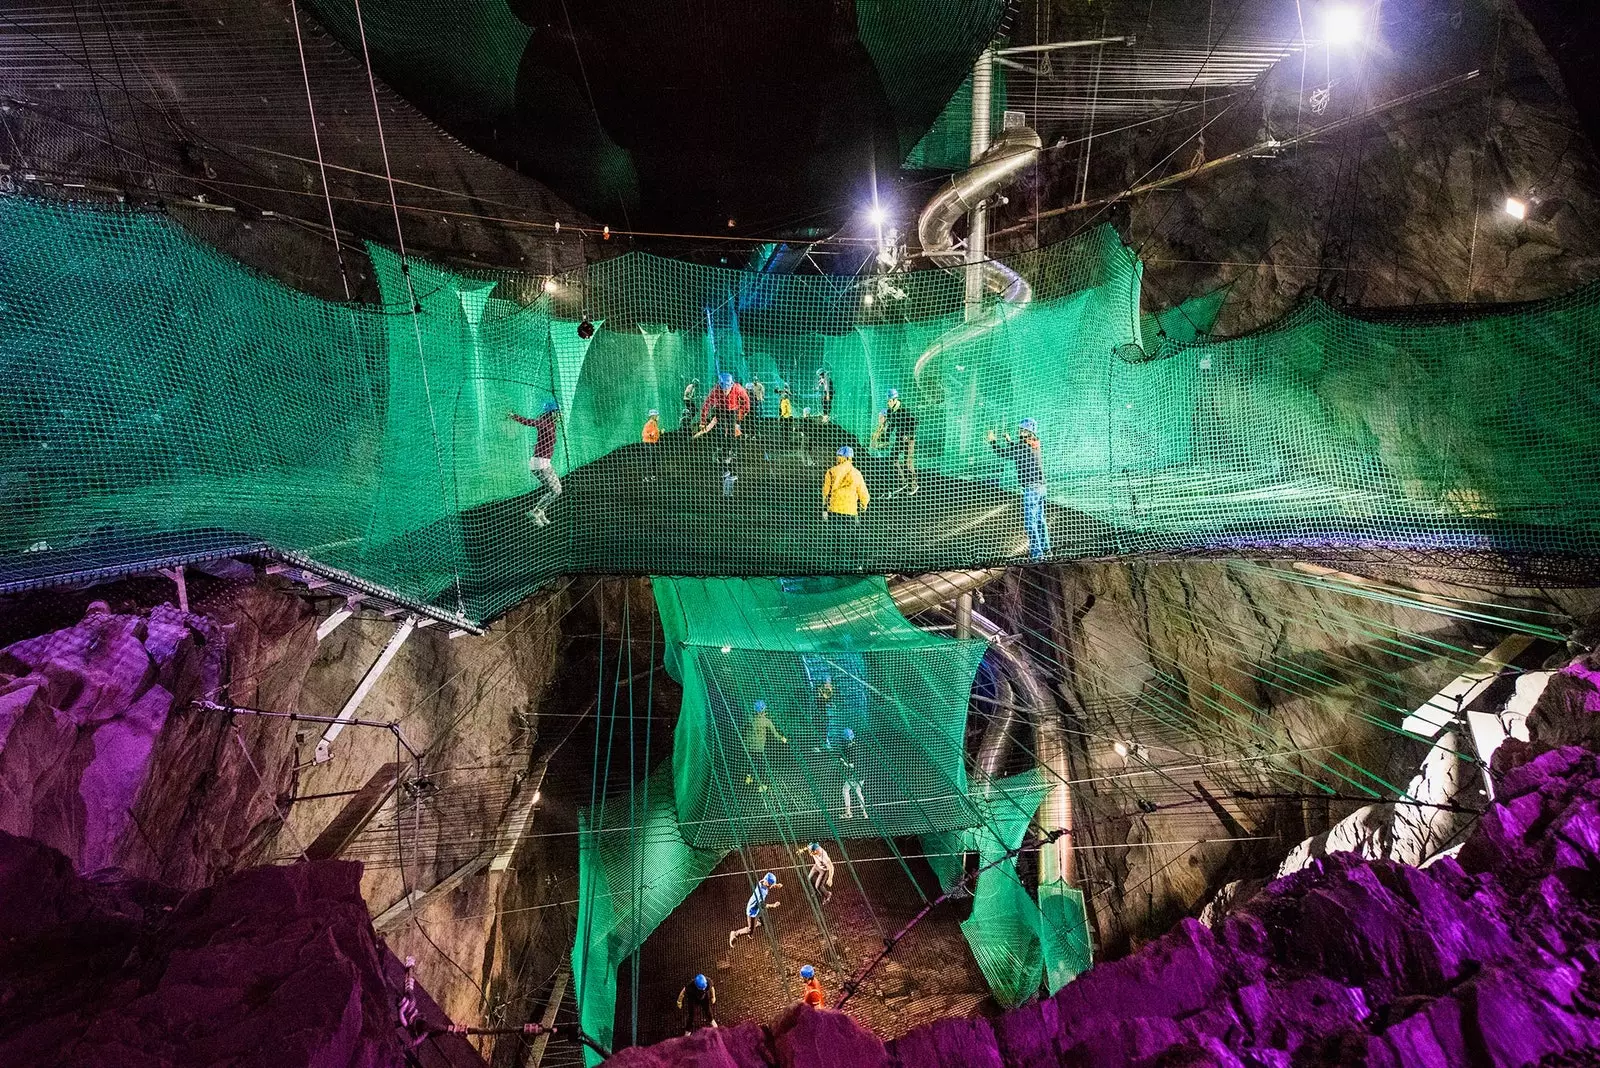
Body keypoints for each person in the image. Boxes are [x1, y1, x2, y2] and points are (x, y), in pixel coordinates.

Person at [988, 418, 1051, 560]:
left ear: (1028, 432)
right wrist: (1009, 441)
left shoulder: (1021, 447)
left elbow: (1003, 454)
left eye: (1023, 430)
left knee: (1030, 523)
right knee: (1040, 519)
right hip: (1041, 487)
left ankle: (1037, 555)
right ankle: (1046, 549)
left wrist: (992, 441)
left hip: (1031, 489)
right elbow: (1018, 452)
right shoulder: (1035, 443)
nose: (1020, 432)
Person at [509, 400, 561, 526]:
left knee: (557, 490)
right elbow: (530, 422)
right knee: (555, 491)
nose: (560, 415)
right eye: (558, 412)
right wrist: (513, 416)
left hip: (545, 463)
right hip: (539, 464)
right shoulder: (544, 423)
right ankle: (535, 512)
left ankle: (539, 511)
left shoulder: (552, 425)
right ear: (551, 413)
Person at [821, 445, 869, 558]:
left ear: (841, 457)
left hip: (834, 509)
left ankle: (835, 556)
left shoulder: (831, 471)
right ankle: (853, 557)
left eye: (838, 456)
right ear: (850, 458)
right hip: (850, 510)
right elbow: (864, 492)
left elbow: (825, 492)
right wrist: (864, 505)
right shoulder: (857, 473)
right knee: (852, 535)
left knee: (835, 534)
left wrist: (824, 509)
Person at [872, 389, 918, 496]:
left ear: (894, 400)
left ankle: (913, 485)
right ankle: (903, 482)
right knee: (893, 459)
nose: (888, 403)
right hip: (899, 438)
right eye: (887, 401)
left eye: (889, 400)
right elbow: (891, 426)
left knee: (907, 462)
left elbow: (915, 423)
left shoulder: (904, 410)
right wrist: (885, 438)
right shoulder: (890, 411)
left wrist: (907, 435)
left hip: (908, 439)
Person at [701, 372, 751, 463]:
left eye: (727, 389)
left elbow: (746, 401)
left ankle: (729, 450)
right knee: (721, 430)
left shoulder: (738, 388)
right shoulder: (716, 390)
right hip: (720, 410)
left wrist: (743, 412)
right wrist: (703, 421)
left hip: (732, 411)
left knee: (731, 432)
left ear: (731, 385)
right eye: (723, 389)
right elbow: (706, 404)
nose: (725, 391)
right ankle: (720, 449)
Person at [744, 699, 787, 791]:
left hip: (747, 747)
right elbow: (775, 734)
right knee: (761, 766)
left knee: (750, 763)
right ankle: (761, 785)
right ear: (763, 711)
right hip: (758, 748)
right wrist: (782, 739)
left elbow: (745, 729)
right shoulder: (766, 721)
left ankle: (748, 779)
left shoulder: (750, 719)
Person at [729, 872, 781, 946]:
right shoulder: (762, 892)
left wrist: (776, 885)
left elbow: (768, 883)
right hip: (753, 911)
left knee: (761, 923)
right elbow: (762, 905)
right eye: (770, 884)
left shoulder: (762, 882)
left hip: (758, 909)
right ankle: (735, 934)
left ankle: (754, 927)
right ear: (767, 882)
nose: (771, 886)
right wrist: (773, 905)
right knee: (750, 930)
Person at [836, 727, 866, 819]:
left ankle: (848, 812)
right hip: (862, 774)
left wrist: (843, 762)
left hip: (855, 774)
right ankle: (865, 813)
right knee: (858, 791)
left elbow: (852, 765)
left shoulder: (850, 749)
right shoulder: (858, 746)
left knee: (845, 790)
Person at [641, 408, 661, 483]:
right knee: (649, 460)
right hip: (648, 444)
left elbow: (655, 433)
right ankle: (646, 477)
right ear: (653, 416)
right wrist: (651, 434)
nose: (657, 416)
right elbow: (644, 434)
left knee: (653, 460)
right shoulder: (649, 423)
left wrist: (659, 432)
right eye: (656, 415)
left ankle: (653, 476)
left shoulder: (655, 423)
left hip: (653, 443)